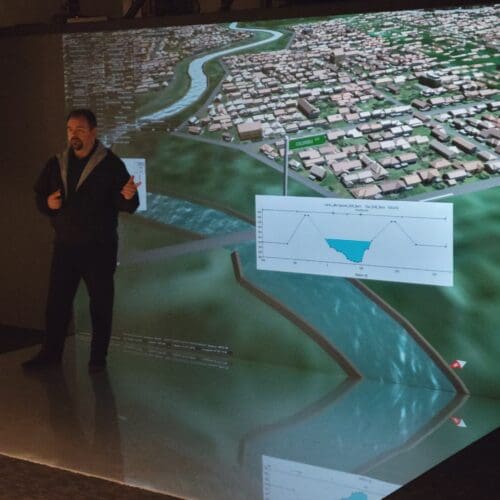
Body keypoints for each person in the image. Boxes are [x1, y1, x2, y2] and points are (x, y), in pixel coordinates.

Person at [23, 109, 140, 373]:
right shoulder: (57, 163)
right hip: (65, 247)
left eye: (80, 130)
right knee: (57, 303)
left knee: (100, 303)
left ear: (93, 132)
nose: (73, 135)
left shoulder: (110, 165)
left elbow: (127, 203)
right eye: (70, 130)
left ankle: (98, 359)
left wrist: (130, 195)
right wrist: (47, 204)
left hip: (99, 249)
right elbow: (41, 196)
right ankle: (50, 353)